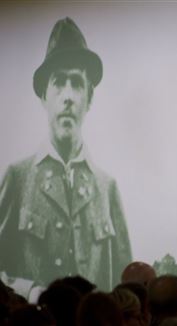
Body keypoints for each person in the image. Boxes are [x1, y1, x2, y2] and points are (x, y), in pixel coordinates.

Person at [0, 17, 132, 299]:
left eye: (77, 84)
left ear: (90, 99)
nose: (68, 96)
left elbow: (127, 291)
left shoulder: (107, 188)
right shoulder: (17, 177)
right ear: (43, 97)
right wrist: (31, 292)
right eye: (59, 83)